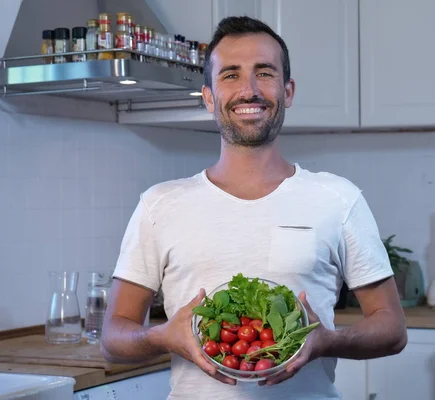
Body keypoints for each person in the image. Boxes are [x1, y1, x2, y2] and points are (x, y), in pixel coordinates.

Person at [101, 15, 407, 400]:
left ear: (288, 90)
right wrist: (163, 336)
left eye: (264, 73)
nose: (248, 90)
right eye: (230, 75)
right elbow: (113, 339)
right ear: (209, 96)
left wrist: (325, 341)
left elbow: (392, 328)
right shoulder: (159, 205)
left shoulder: (338, 199)